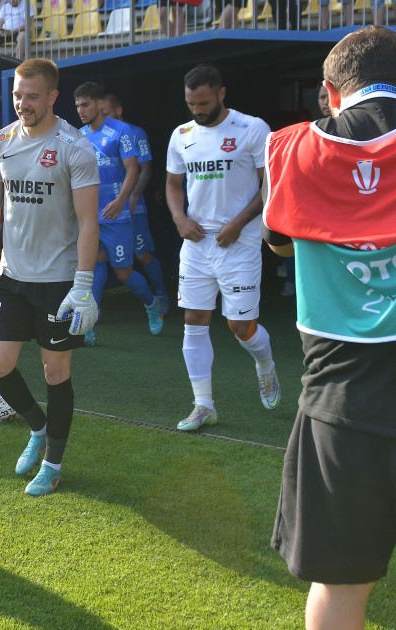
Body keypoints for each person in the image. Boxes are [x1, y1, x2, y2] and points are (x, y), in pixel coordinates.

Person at [263, 27, 396, 630]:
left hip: (344, 397)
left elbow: (280, 245)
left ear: (329, 91)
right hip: (345, 390)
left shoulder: (290, 149)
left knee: (341, 584)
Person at [0, 57, 100, 496]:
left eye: (33, 96)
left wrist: (83, 285)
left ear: (53, 97)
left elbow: (88, 221)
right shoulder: (1, 141)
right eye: (18, 95)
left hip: (58, 282)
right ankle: (37, 428)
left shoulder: (76, 147)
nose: (23, 103)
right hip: (12, 276)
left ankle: (53, 464)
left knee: (55, 374)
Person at [164, 64, 280, 432]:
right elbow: (172, 184)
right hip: (196, 242)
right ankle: (203, 406)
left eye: (203, 102)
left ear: (221, 93)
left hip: (239, 240)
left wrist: (237, 223)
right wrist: (180, 219)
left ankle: (265, 365)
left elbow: (270, 186)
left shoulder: (253, 128)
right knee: (194, 321)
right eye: (190, 103)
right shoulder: (182, 135)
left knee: (241, 326)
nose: (196, 110)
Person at [74, 82, 161, 344]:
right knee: (89, 267)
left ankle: (151, 303)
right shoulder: (78, 135)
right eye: (77, 105)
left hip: (116, 215)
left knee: (123, 273)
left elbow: (133, 169)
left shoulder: (121, 131)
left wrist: (122, 200)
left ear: (100, 104)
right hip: (89, 217)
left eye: (85, 104)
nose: (80, 110)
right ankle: (88, 327)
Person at [104, 91, 169, 314]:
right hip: (105, 210)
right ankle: (93, 312)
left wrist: (132, 198)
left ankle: (161, 294)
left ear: (118, 111)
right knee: (99, 258)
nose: (102, 117)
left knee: (142, 254)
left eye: (106, 112)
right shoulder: (97, 135)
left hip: (133, 207)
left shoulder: (135, 133)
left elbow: (145, 170)